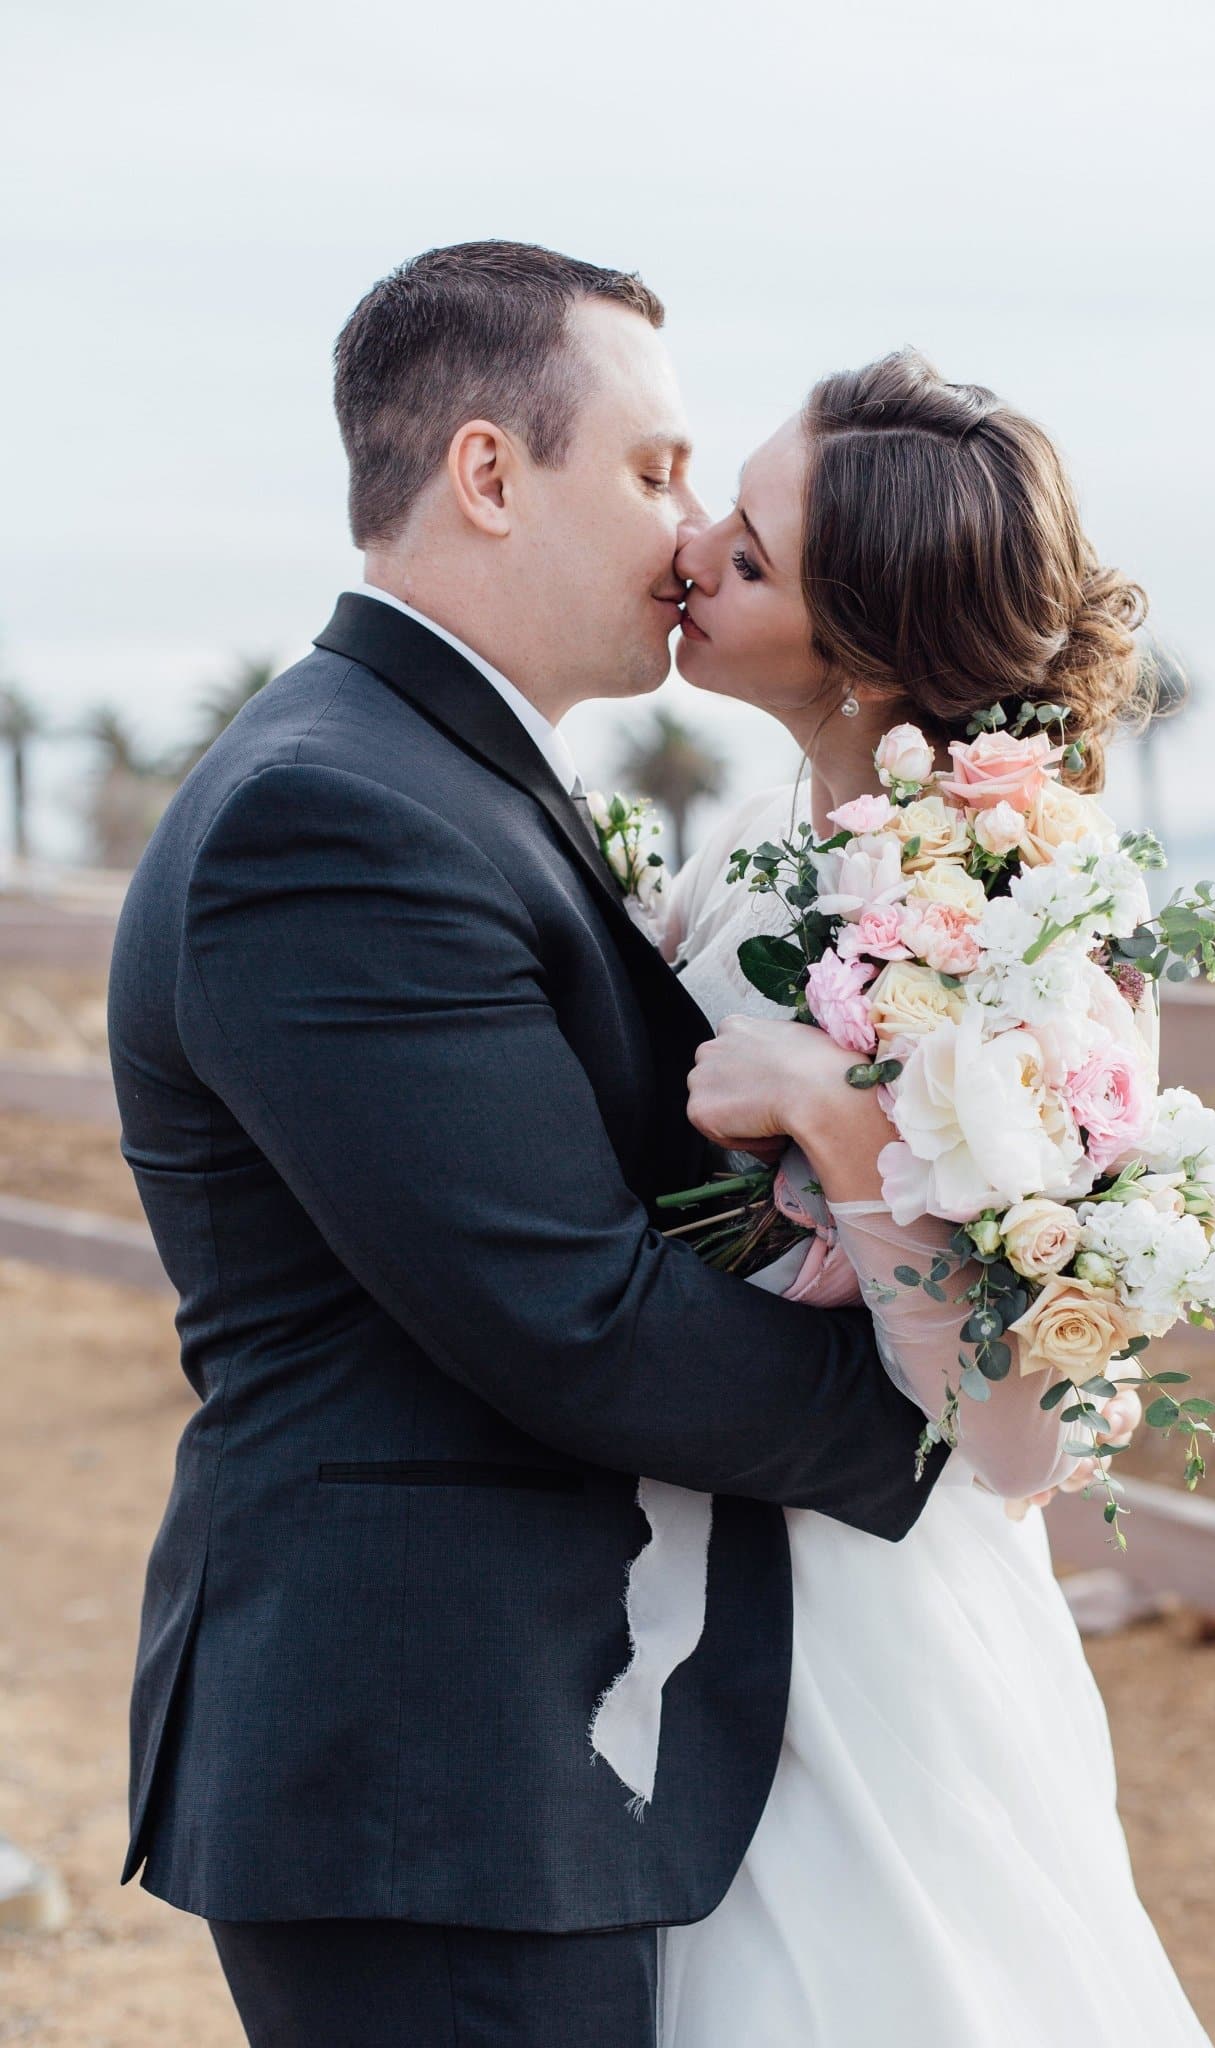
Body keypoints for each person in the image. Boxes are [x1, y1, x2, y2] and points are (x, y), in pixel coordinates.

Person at [106, 244, 953, 2048]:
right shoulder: (333, 815)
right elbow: (568, 1314)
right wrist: (945, 1404)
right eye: (652, 471)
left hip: (504, 1755)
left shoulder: (435, 778)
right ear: (489, 475)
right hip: (432, 1778)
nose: (683, 532)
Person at [655, 349, 1213, 2044]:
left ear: (871, 653)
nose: (687, 550)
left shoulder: (1020, 911)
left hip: (866, 1611)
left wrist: (839, 1116)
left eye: (747, 556)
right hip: (678, 1546)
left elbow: (1020, 1440)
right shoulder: (754, 827)